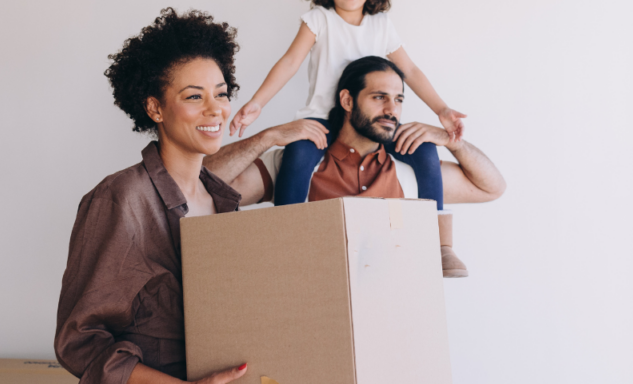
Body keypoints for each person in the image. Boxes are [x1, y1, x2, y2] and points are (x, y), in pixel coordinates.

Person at [54, 8, 327, 384]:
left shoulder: (220, 200)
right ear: (155, 109)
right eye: (194, 96)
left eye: (221, 93)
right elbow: (79, 343)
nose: (214, 109)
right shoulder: (122, 199)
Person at [225, 0, 471, 272]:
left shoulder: (381, 24)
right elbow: (290, 62)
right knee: (297, 157)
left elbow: (409, 71)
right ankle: (285, 241)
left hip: (371, 121)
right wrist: (256, 103)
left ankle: (441, 246)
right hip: (323, 120)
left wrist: (441, 109)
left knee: (425, 151)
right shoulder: (319, 20)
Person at [205, 56, 506, 281]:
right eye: (379, 98)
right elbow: (197, 187)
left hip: (391, 324)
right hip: (311, 314)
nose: (392, 110)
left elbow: (491, 187)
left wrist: (453, 142)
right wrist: (266, 138)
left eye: (398, 100)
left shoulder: (408, 172)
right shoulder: (297, 165)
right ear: (347, 100)